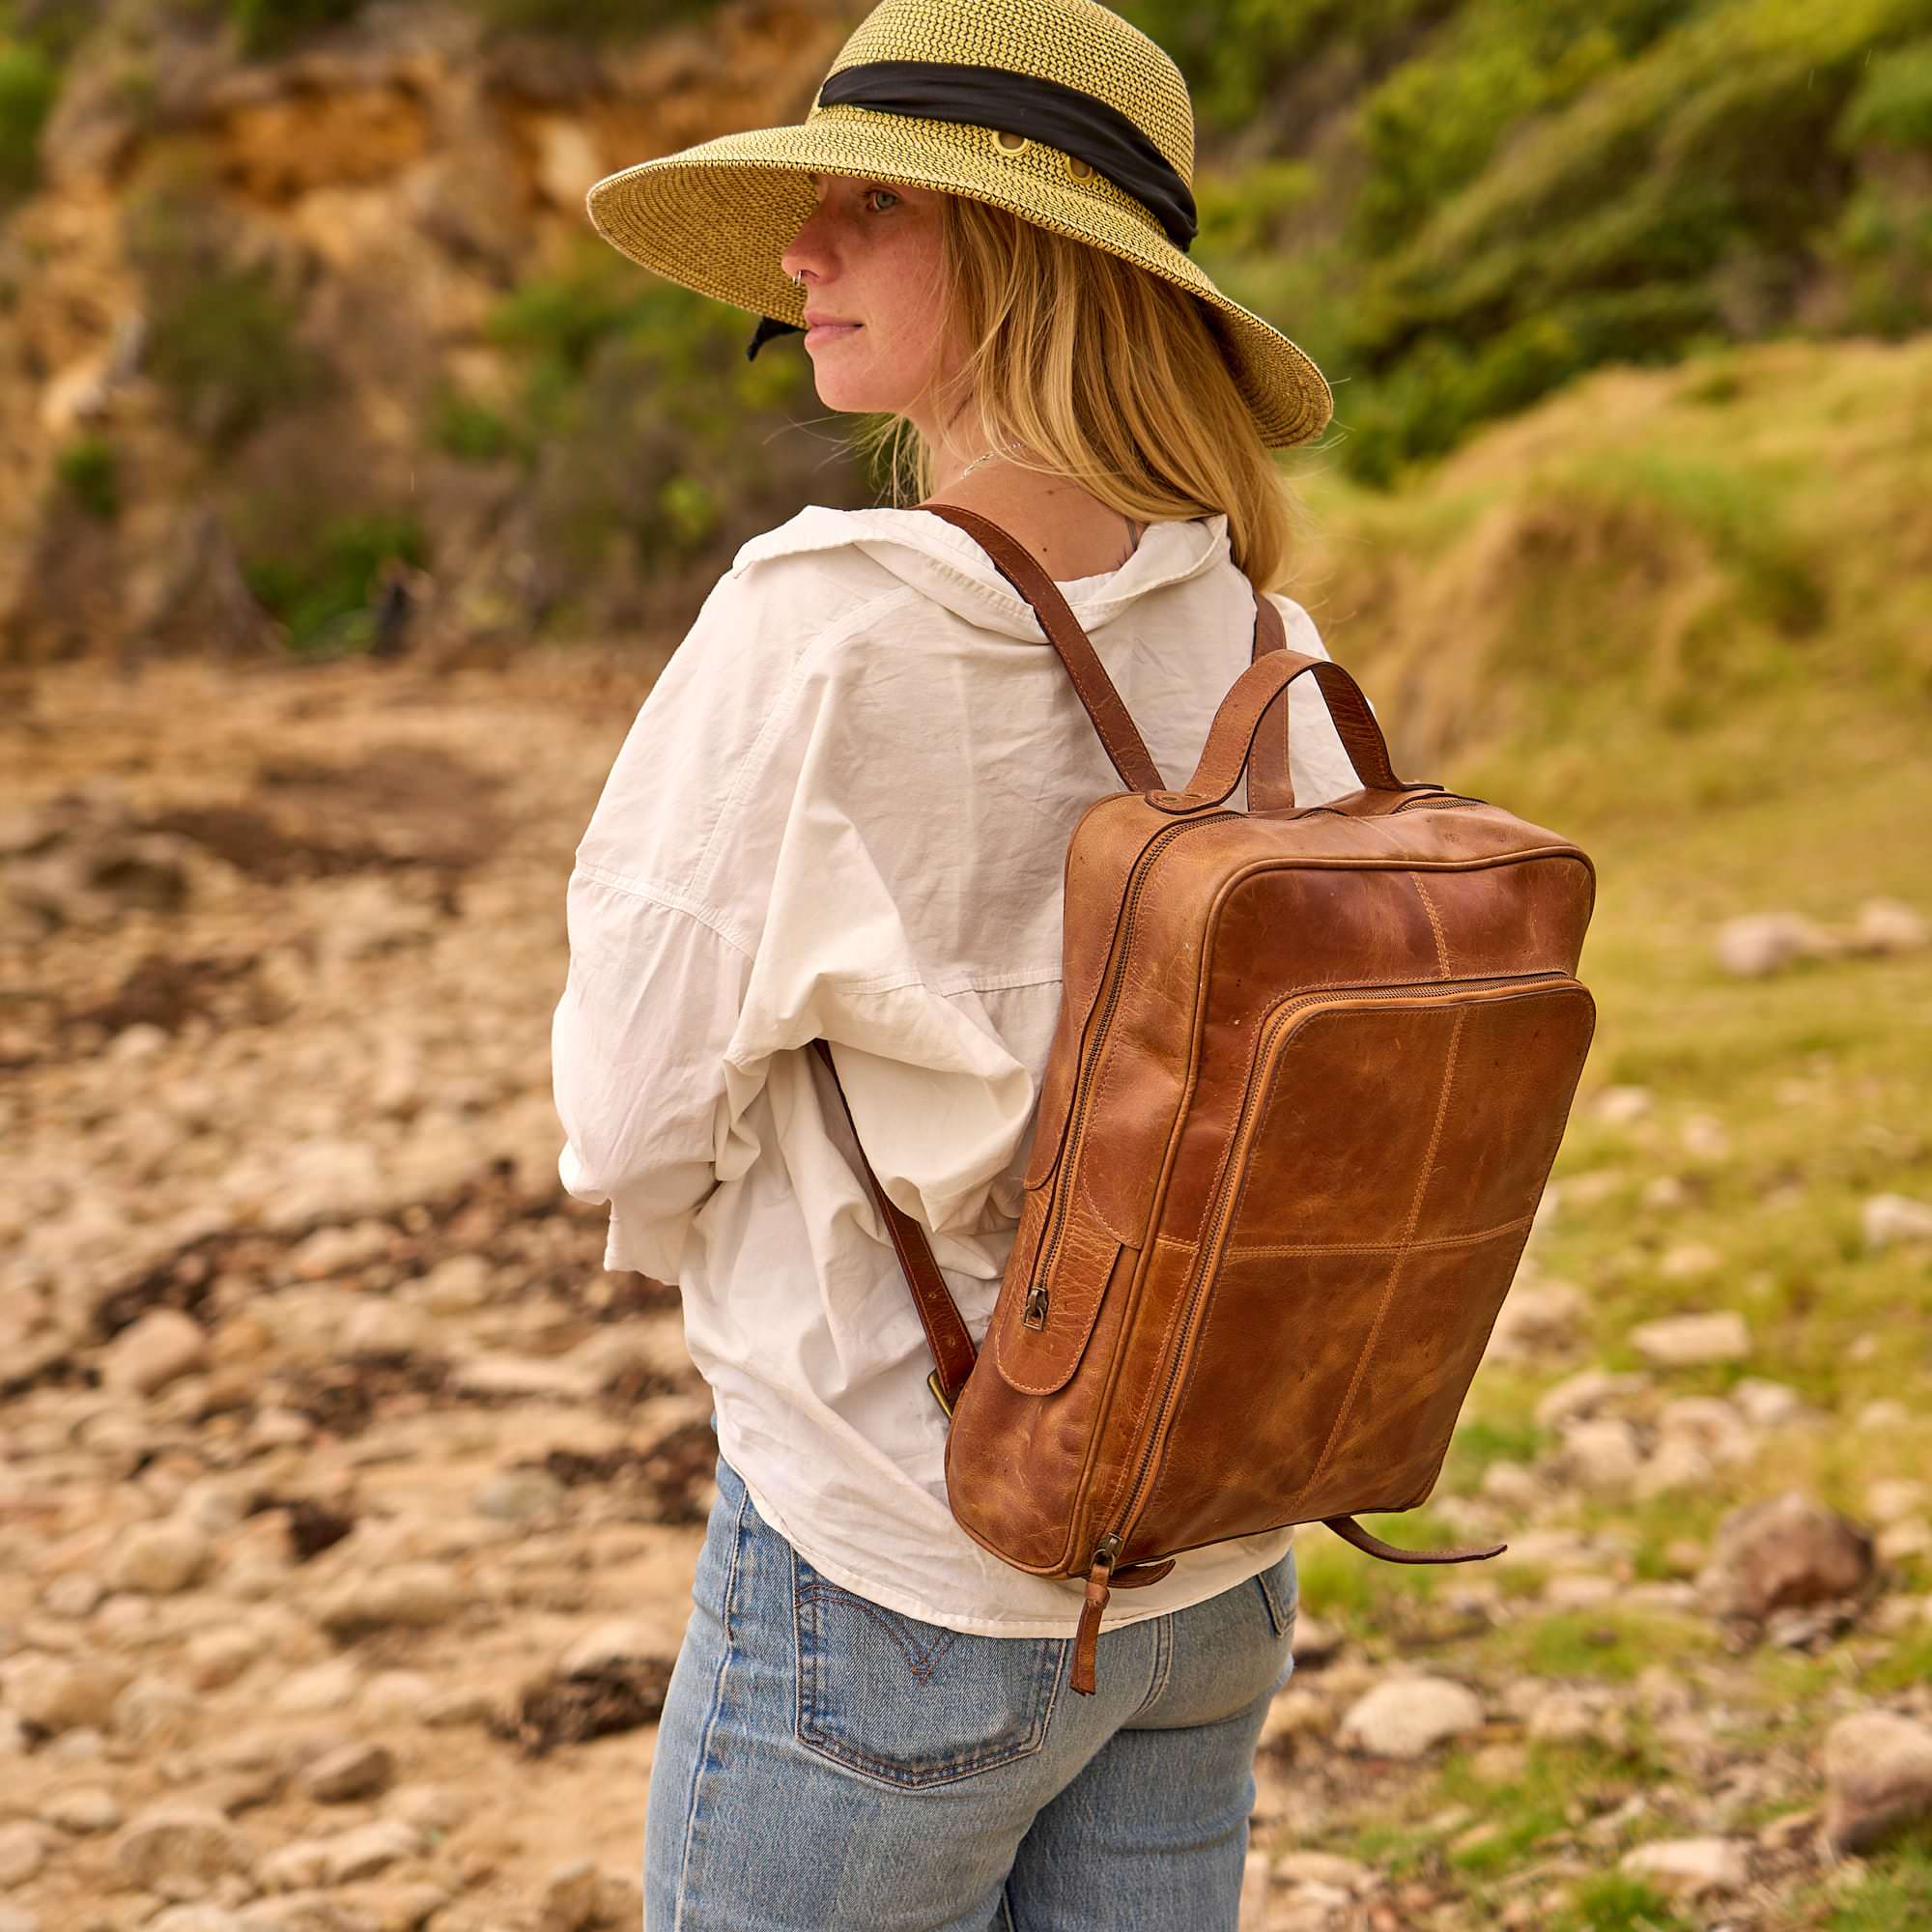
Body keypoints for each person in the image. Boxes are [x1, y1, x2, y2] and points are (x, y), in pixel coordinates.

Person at [550, 3, 1366, 1924]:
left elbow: (625, 1117)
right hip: (1212, 1549)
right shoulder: (1263, 631)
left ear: (1023, 252)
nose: (802, 254)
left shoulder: (815, 624)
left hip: (901, 1556)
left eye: (867, 204)